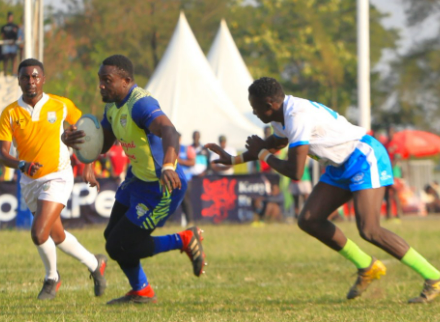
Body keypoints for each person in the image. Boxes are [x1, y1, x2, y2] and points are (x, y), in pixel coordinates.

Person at [206, 77, 440, 303]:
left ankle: (434, 277)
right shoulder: (280, 115)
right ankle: (367, 266)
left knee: (369, 229)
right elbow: (275, 143)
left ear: (269, 104)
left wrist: (261, 154)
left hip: (363, 156)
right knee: (309, 219)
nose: (254, 112)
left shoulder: (296, 116)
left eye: (255, 107)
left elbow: (295, 172)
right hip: (339, 164)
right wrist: (234, 159)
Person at [62, 54, 206, 304]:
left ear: (126, 80)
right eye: (100, 80)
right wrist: (78, 147)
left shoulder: (141, 104)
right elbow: (102, 142)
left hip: (162, 187)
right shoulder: (113, 106)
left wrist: (169, 165)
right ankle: (141, 290)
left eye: (107, 80)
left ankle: (183, 240)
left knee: (119, 246)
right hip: (136, 179)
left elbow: (170, 130)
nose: (101, 86)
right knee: (113, 238)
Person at [0, 58, 107, 300]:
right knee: (56, 236)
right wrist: (21, 164)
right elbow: (2, 155)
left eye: (35, 76)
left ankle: (51, 279)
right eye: (25, 77)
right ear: (19, 80)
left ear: (44, 79)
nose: (31, 81)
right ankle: (95, 264)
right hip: (29, 181)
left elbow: (87, 132)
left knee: (38, 233)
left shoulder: (60, 104)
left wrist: (88, 164)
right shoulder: (10, 113)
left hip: (58, 175)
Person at [178, 133, 196, 225]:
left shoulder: (187, 149)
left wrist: (180, 161)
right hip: (174, 179)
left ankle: (189, 221)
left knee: (185, 200)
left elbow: (193, 162)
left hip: (186, 179)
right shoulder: (168, 148)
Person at [0, 12, 18, 76]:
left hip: (13, 44)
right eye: (9, 17)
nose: (10, 18)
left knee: (14, 58)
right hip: (6, 44)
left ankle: (14, 72)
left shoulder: (15, 26)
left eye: (11, 17)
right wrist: (7, 41)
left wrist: (13, 41)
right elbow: (2, 35)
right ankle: (5, 72)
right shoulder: (4, 27)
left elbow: (17, 35)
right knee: (6, 58)